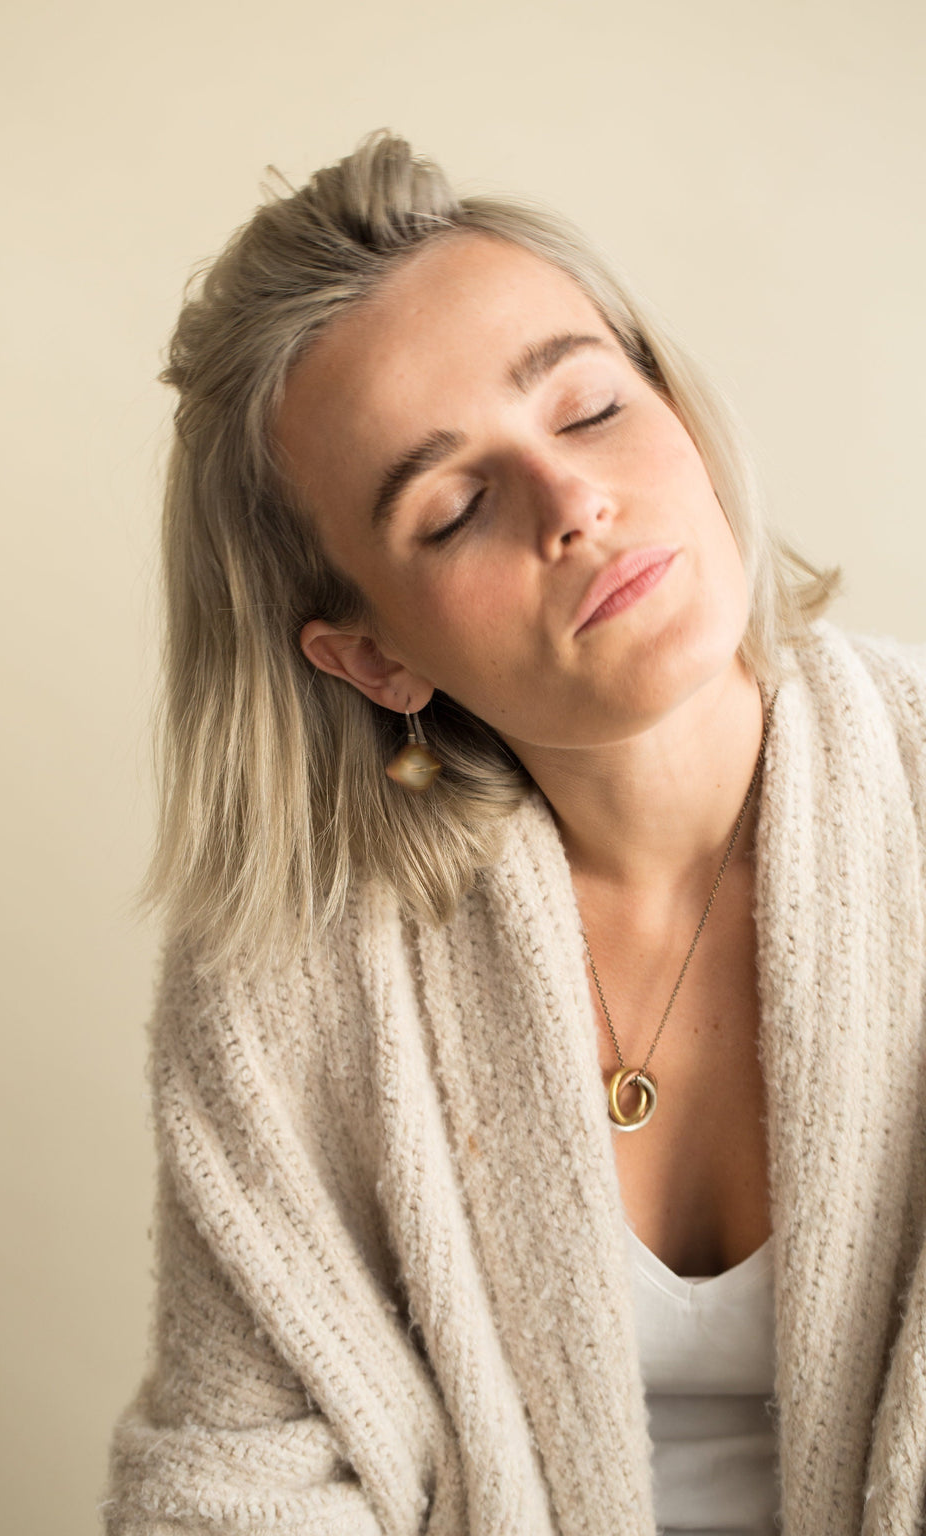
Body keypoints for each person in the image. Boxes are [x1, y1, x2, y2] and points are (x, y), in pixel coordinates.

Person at [101, 132, 926, 1536]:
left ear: (671, 398)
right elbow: (233, 1481)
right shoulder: (287, 970)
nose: (572, 504)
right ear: (371, 659)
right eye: (458, 505)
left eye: (591, 408)